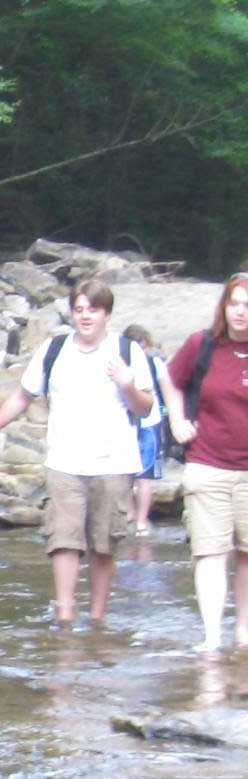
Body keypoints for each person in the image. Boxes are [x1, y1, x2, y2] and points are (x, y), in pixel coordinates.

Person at [0, 280, 155, 628]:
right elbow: (22, 397)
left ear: (107, 314)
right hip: (64, 462)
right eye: (79, 309)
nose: (85, 316)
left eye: (93, 310)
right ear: (72, 313)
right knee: (64, 541)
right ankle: (66, 613)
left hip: (113, 462)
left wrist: (127, 383)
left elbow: (145, 409)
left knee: (104, 544)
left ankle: (97, 618)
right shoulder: (54, 349)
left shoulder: (127, 351)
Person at [165, 273, 248, 653]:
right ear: (224, 307)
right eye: (235, 304)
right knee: (211, 552)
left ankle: (244, 632)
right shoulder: (203, 345)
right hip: (207, 462)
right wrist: (177, 420)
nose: (241, 312)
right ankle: (212, 636)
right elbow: (170, 379)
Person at [125, 324, 171, 531]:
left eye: (143, 347)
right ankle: (129, 515)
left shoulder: (155, 364)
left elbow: (167, 392)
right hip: (126, 422)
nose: (141, 352)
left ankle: (141, 520)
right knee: (124, 474)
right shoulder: (120, 364)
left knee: (145, 477)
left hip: (150, 423)